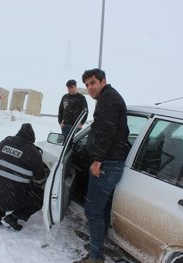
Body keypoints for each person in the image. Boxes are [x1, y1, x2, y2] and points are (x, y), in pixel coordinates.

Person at [78, 69, 130, 263]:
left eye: (93, 83)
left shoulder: (108, 100)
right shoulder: (110, 97)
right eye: (87, 85)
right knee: (103, 206)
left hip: (107, 164)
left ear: (103, 81)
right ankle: (99, 242)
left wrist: (98, 160)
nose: (90, 88)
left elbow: (106, 132)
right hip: (112, 161)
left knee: (92, 210)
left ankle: (96, 257)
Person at [0, 123, 46, 231]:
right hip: (10, 201)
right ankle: (13, 218)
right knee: (40, 196)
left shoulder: (5, 142)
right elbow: (40, 179)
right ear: (32, 139)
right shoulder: (34, 152)